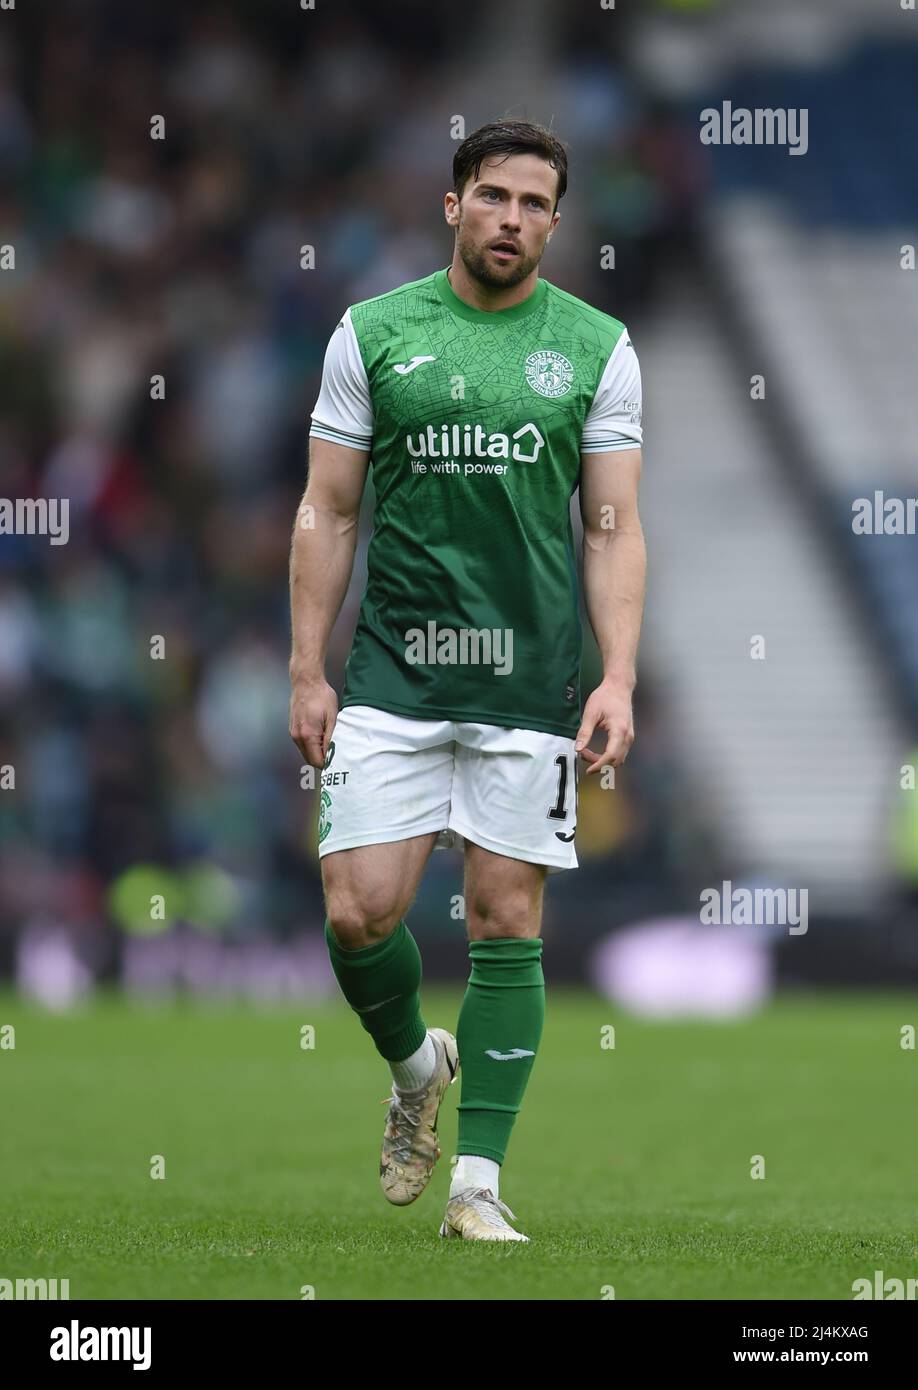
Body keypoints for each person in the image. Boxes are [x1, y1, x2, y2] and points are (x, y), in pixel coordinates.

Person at [289, 118, 646, 1241]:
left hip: (528, 680)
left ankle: (476, 1183)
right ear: (454, 204)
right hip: (393, 673)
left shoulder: (598, 346)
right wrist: (307, 666)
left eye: (536, 204)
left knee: (504, 916)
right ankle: (414, 1069)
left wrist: (618, 677)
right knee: (357, 912)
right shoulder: (375, 332)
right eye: (493, 196)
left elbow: (614, 526)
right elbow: (328, 509)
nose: (512, 218)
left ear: (557, 219)